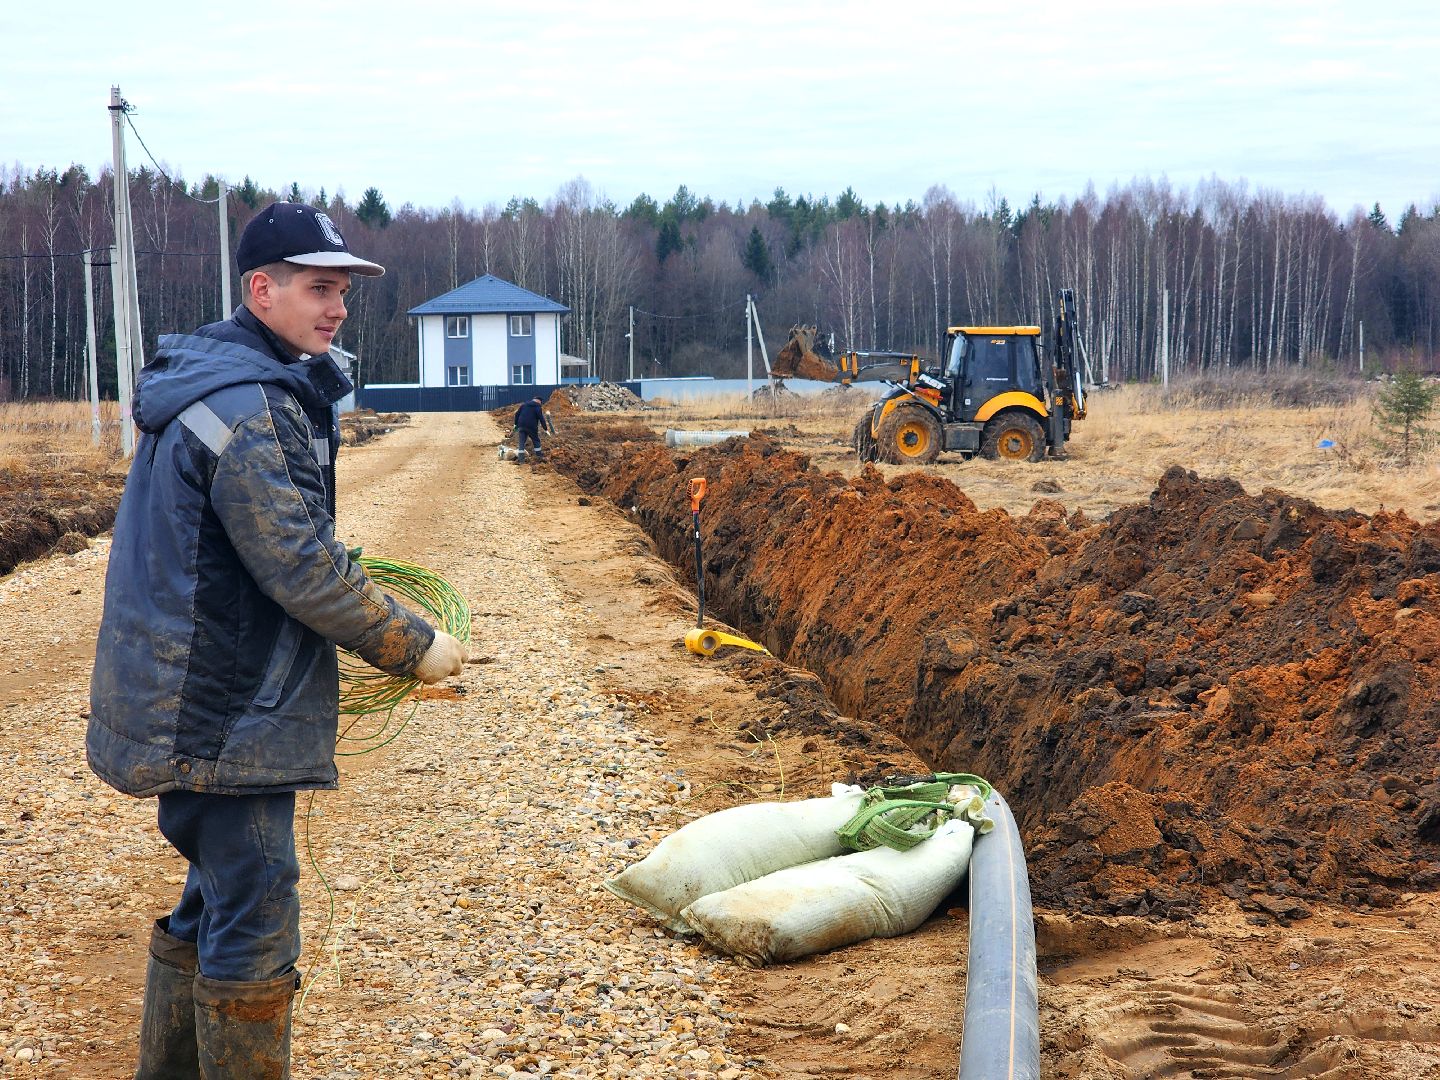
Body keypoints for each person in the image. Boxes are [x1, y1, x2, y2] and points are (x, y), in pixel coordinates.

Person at [87, 202, 466, 1078]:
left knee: (211, 896)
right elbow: (298, 563)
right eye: (317, 288)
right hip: (223, 707)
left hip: (187, 694)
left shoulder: (217, 382)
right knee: (256, 902)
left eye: (342, 291)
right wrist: (411, 644)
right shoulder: (251, 405)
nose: (335, 308)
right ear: (262, 290)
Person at [512, 395, 556, 462]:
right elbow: (541, 419)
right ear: (539, 401)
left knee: (521, 442)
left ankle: (521, 460)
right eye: (541, 403)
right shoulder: (537, 407)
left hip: (521, 426)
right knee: (536, 440)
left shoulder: (524, 405)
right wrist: (546, 429)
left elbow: (517, 414)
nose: (541, 404)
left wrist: (515, 424)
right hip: (531, 427)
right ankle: (539, 456)